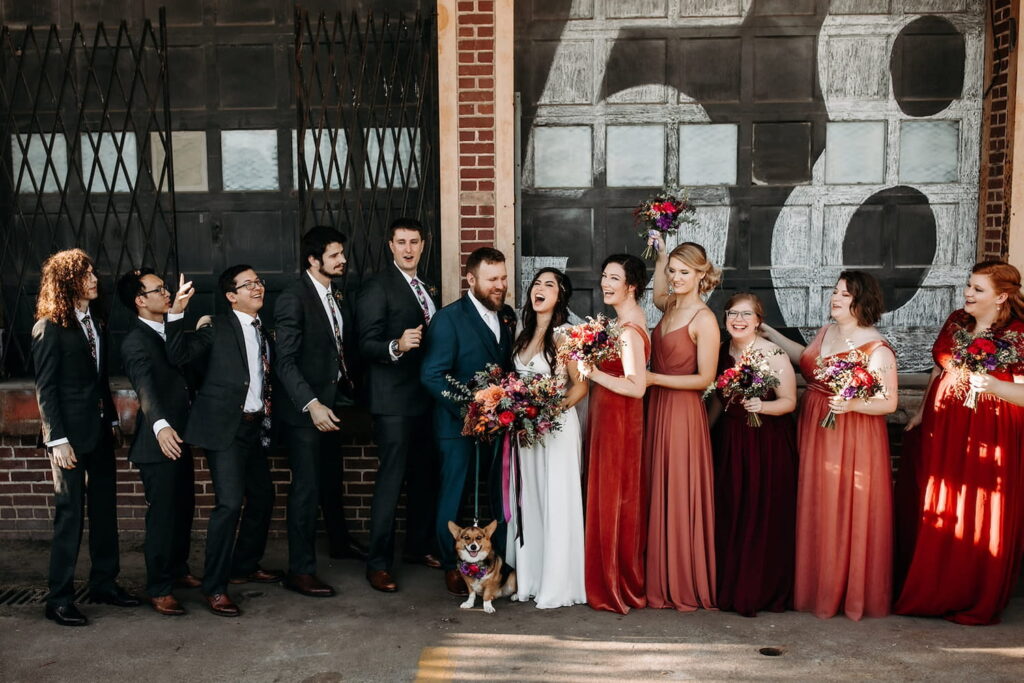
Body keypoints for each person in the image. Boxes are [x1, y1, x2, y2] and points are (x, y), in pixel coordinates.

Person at [762, 270, 897, 620]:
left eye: (845, 294)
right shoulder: (828, 332)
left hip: (850, 434)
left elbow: (888, 402)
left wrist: (851, 404)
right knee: (816, 503)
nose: (835, 298)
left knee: (842, 506)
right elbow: (806, 359)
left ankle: (843, 590)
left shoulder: (875, 346)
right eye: (835, 292)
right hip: (814, 425)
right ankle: (814, 586)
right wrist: (770, 334)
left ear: (862, 302)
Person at [894, 261, 1024, 625]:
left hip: (990, 426)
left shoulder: (1019, 333)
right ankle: (933, 588)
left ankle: (970, 590)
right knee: (941, 501)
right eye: (969, 285)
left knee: (978, 503)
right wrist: (921, 412)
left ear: (1001, 296)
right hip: (944, 422)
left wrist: (996, 386)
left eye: (977, 289)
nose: (968, 293)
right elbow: (938, 368)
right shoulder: (957, 322)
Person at [32, 249, 140, 626]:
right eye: (86, 274)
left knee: (105, 510)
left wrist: (110, 421)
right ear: (66, 282)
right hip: (68, 439)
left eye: (94, 272)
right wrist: (56, 439)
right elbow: (45, 389)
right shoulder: (49, 326)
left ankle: (104, 584)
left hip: (98, 432)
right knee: (70, 515)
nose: (95, 279)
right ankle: (59, 599)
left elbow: (98, 381)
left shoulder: (95, 321)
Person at [166, 265, 281, 617]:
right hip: (224, 429)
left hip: (254, 428)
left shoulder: (264, 329)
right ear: (231, 296)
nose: (258, 288)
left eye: (259, 282)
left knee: (263, 495)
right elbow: (178, 355)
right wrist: (176, 313)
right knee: (229, 504)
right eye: (248, 285)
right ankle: (214, 587)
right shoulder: (216, 326)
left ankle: (244, 565)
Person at [274, 226, 366, 599]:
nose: (342, 260)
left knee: (332, 478)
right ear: (313, 260)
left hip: (334, 404)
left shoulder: (335, 294)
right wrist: (311, 405)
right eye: (334, 255)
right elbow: (285, 361)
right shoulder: (293, 299)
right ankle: (301, 571)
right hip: (305, 412)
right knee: (306, 489)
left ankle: (340, 544)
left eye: (342, 253)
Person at [420, 247, 516, 597]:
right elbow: (432, 375)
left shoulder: (506, 317)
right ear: (471, 279)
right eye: (492, 279)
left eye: (503, 278)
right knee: (453, 496)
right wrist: (470, 412)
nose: (500, 285)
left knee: (491, 495)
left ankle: (493, 564)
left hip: (494, 429)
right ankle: (451, 566)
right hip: (455, 427)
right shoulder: (448, 319)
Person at [357, 217, 441, 593]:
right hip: (392, 401)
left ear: (423, 245)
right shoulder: (378, 286)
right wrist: (397, 345)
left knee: (425, 477)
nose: (408, 249)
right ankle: (378, 563)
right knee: (391, 482)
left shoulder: (425, 286)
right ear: (390, 246)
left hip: (424, 399)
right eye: (401, 242)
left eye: (414, 242)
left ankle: (416, 547)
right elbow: (364, 343)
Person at [116, 268, 200, 616]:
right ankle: (159, 587)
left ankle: (178, 571)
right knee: (163, 517)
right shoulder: (135, 340)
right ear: (140, 300)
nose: (166, 293)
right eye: (158, 289)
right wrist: (161, 427)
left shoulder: (170, 330)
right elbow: (144, 386)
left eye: (165, 288)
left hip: (180, 437)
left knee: (183, 508)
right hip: (158, 443)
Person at [707, 293, 797, 617]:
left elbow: (789, 401)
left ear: (759, 320)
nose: (738, 320)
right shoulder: (722, 353)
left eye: (746, 315)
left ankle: (758, 590)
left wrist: (763, 406)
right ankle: (729, 586)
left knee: (760, 512)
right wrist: (704, 432)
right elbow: (718, 399)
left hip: (766, 442)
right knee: (732, 509)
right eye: (733, 313)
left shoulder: (772, 353)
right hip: (731, 440)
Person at [643, 242, 720, 612]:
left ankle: (682, 580)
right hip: (658, 405)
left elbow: (705, 378)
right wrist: (660, 256)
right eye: (673, 270)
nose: (675, 278)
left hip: (682, 412)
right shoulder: (671, 304)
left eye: (684, 272)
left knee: (678, 488)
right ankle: (660, 573)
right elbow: (657, 291)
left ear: (702, 275)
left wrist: (653, 378)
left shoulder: (704, 319)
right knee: (659, 485)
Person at [509, 268, 588, 608]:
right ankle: (531, 579)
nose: (540, 289)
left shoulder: (566, 335)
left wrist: (551, 411)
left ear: (560, 296)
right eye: (537, 283)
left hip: (555, 429)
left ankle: (557, 584)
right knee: (532, 501)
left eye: (549, 285)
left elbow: (582, 385)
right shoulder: (523, 334)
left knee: (556, 500)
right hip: (526, 433)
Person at [579, 253, 649, 614]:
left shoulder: (629, 331)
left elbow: (637, 386)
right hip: (610, 418)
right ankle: (614, 576)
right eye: (604, 276)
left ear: (631, 286)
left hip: (620, 422)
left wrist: (591, 372)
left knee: (614, 497)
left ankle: (613, 583)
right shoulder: (623, 322)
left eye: (614, 278)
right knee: (612, 496)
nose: (606, 283)